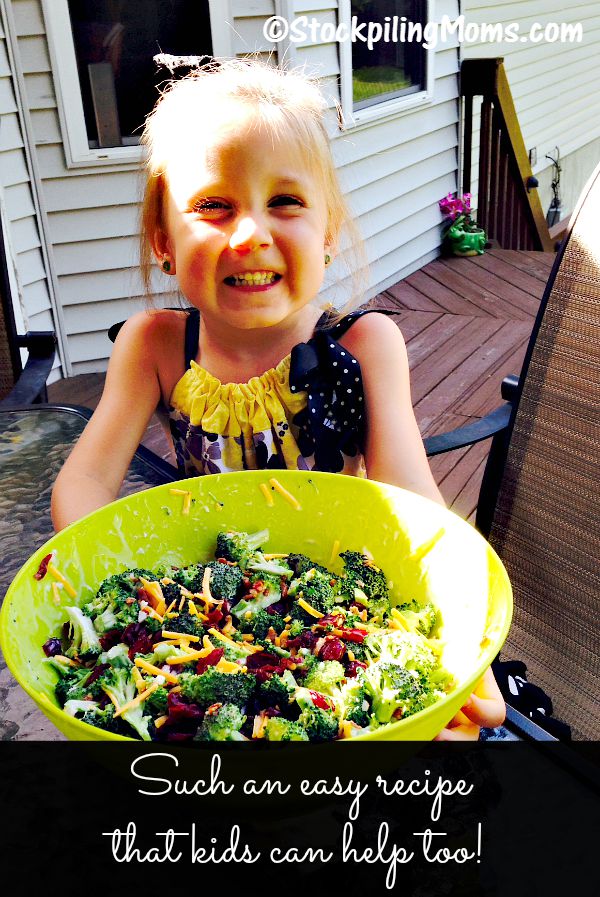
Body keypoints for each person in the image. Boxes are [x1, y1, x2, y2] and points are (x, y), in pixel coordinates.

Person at [51, 57, 504, 738]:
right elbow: (84, 480)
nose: (250, 233)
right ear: (163, 241)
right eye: (212, 206)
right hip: (206, 621)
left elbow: (415, 504)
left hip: (340, 615)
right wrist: (120, 593)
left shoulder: (365, 345)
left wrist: (470, 656)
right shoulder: (154, 346)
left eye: (285, 201)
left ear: (326, 231)